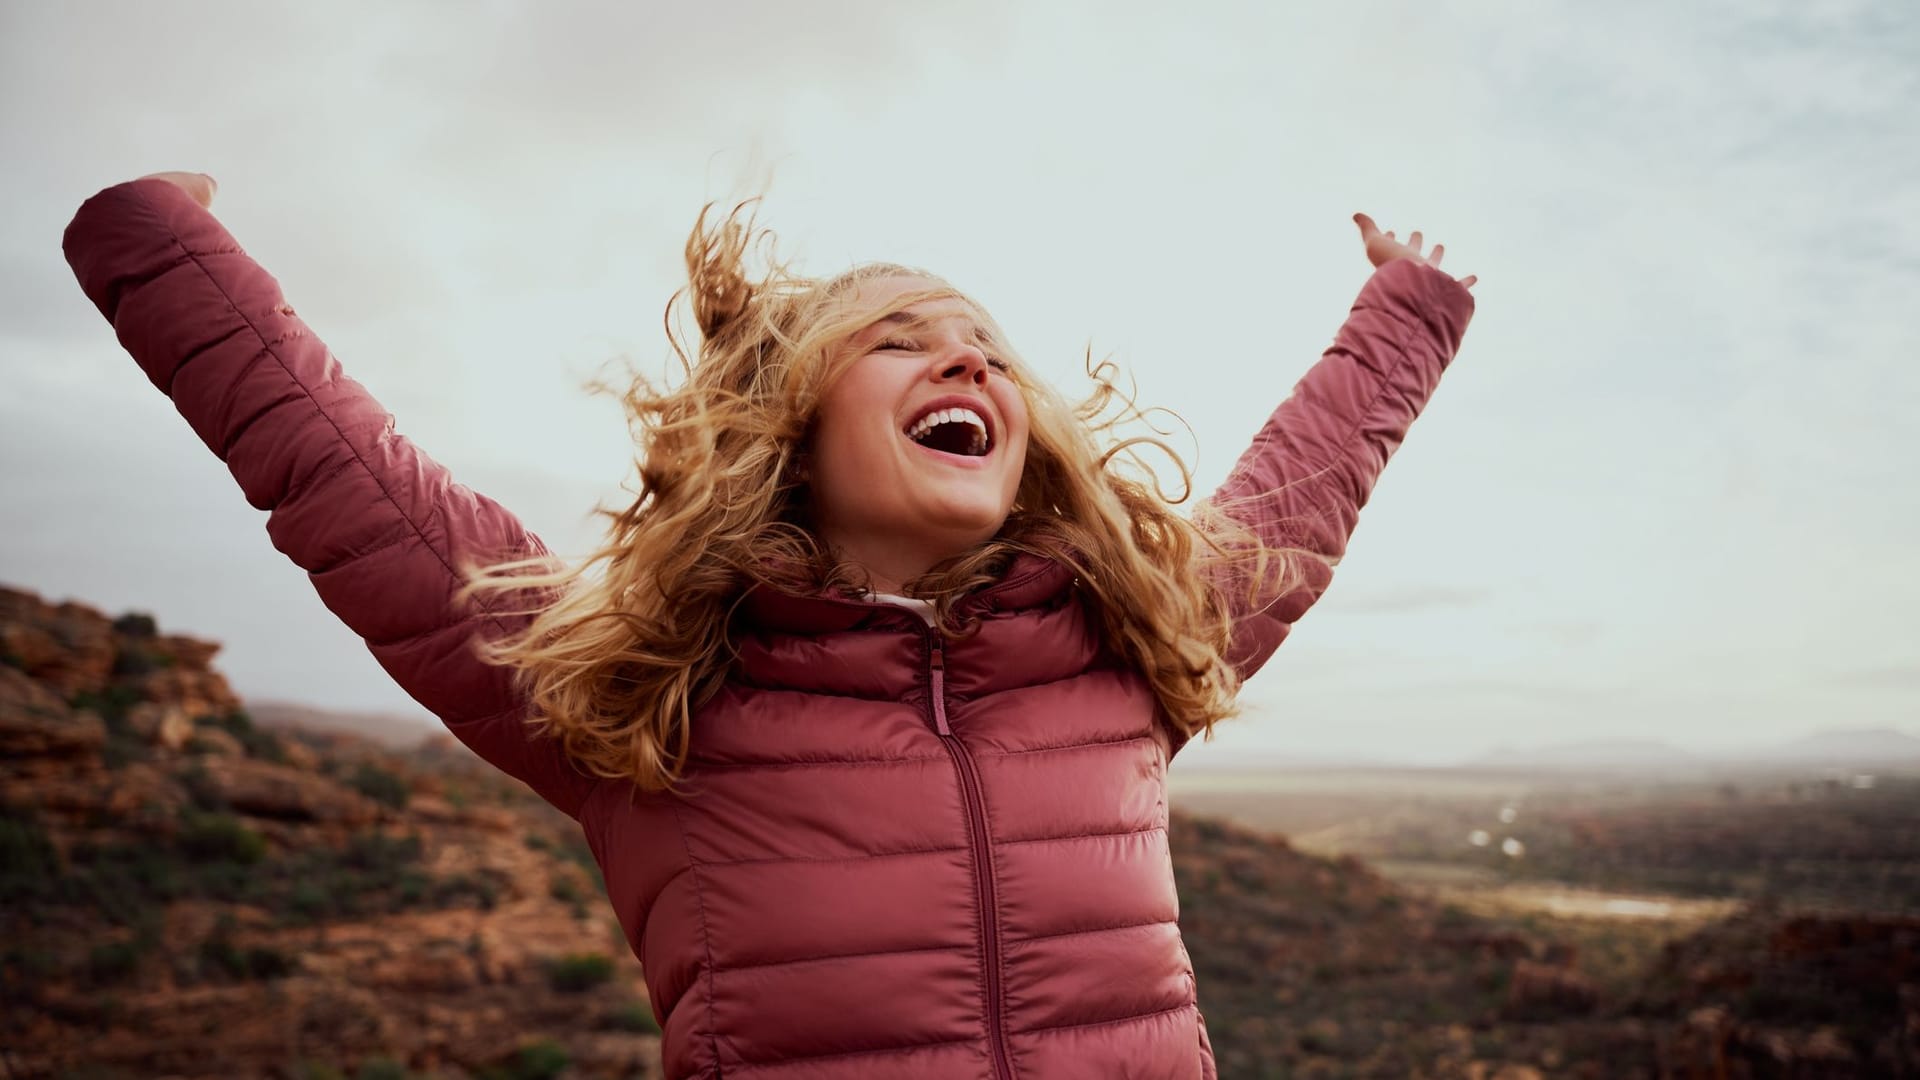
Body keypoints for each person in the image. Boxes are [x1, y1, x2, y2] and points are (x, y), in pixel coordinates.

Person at [62, 170, 1476, 1080]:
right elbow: (357, 492)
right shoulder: (650, 700)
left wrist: (1407, 307)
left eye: (982, 341)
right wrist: (162, 245)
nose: (967, 356)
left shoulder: (1120, 644)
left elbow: (1299, 494)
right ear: (787, 426)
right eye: (898, 338)